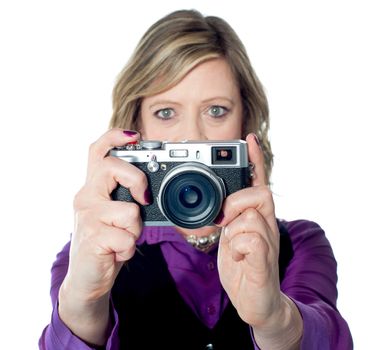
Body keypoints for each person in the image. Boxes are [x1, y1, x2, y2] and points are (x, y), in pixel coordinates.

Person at [39, 9, 353, 350]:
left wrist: (276, 319)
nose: (192, 138)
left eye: (216, 110)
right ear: (137, 130)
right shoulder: (93, 251)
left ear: (245, 122)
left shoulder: (299, 244)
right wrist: (81, 302)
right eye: (166, 112)